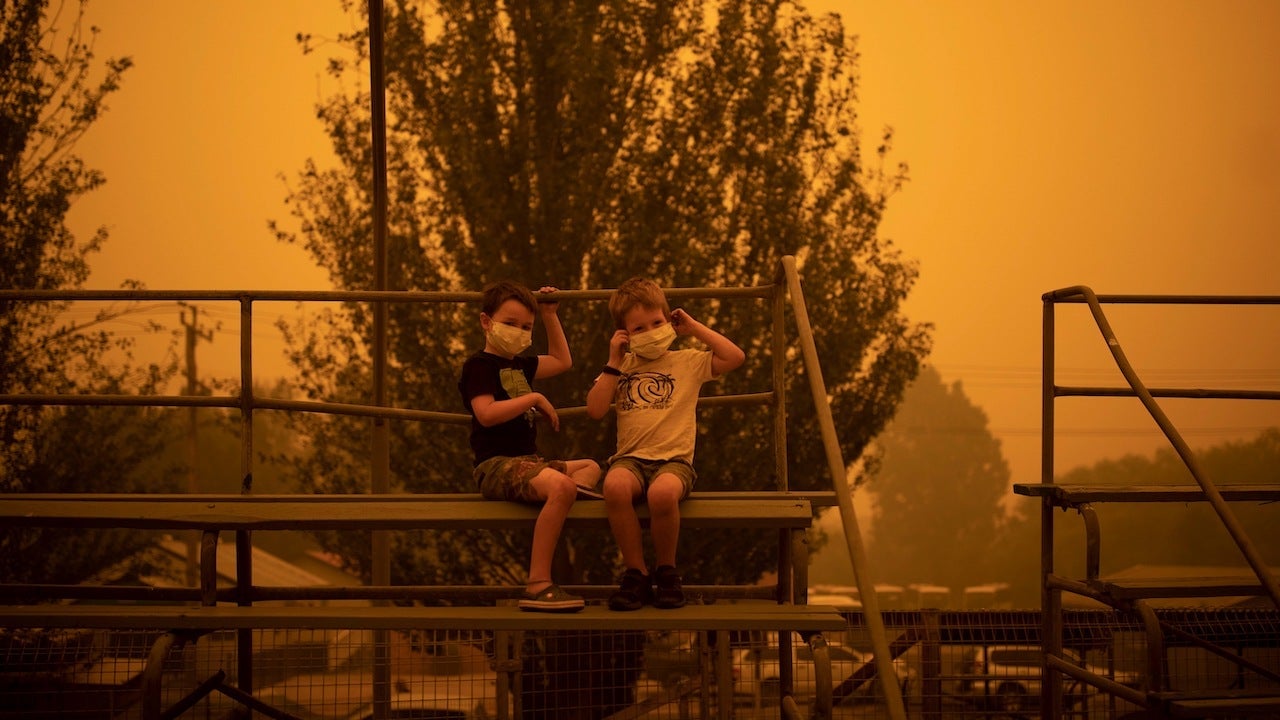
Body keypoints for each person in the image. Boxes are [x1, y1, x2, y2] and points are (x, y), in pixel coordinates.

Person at [586, 277, 745, 610]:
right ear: (625, 334)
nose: (651, 330)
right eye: (639, 328)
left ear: (669, 320)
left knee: (661, 494)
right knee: (613, 486)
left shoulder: (687, 361)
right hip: (629, 459)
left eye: (657, 322)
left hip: (674, 462)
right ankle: (636, 574)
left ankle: (667, 571)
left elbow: (734, 357)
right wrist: (613, 361)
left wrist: (694, 328)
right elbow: (595, 409)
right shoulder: (621, 368)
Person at [458, 280, 601, 612]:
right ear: (486, 322)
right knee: (565, 485)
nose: (518, 332)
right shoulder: (479, 366)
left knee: (591, 468)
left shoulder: (521, 365)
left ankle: (555, 494)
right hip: (496, 465)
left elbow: (562, 360)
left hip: (528, 463)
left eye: (526, 327)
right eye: (510, 323)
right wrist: (533, 397)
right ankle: (538, 584)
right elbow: (486, 414)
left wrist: (550, 314)